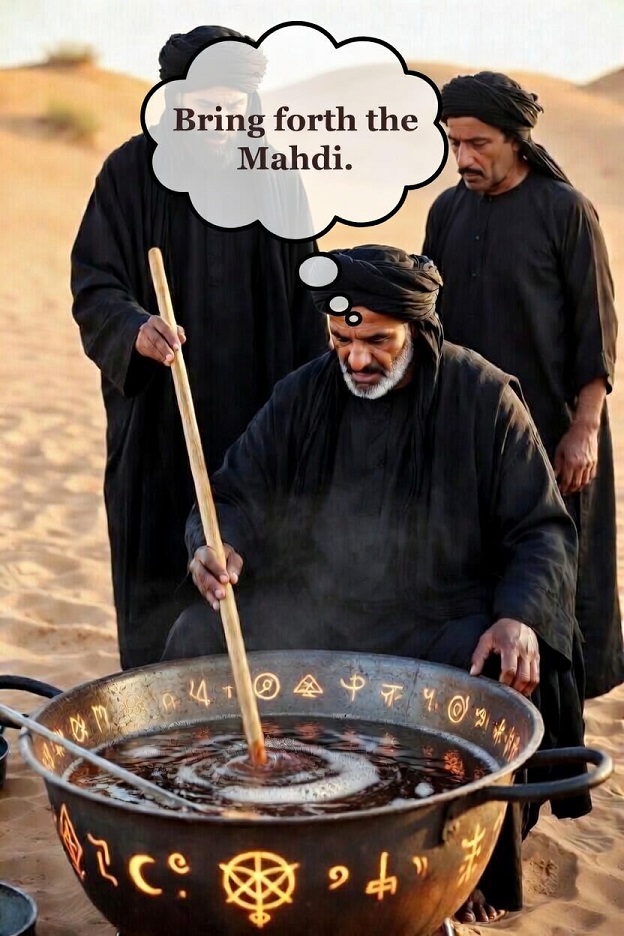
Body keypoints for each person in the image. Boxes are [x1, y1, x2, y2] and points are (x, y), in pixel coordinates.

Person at [163, 245, 589, 924]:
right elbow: (233, 494)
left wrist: (520, 617)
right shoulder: (302, 394)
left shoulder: (483, 398)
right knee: (196, 632)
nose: (356, 359)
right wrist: (214, 543)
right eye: (341, 340)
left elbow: (541, 529)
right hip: (324, 611)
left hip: (438, 619)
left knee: (491, 673)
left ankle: (466, 869)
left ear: (417, 328)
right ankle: (205, 819)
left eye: (376, 342)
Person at [70, 26, 327, 669]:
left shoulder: (276, 178)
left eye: (232, 107)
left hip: (257, 420)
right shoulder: (130, 174)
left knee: (254, 584)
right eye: (205, 106)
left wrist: (308, 414)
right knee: (157, 593)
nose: (219, 121)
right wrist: (133, 327)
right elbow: (95, 283)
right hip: (158, 425)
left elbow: (307, 304)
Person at [422, 70, 623, 698]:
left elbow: (596, 332)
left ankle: (558, 721)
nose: (464, 158)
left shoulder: (566, 211)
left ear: (516, 140)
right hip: (469, 436)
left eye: (478, 144)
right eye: (455, 143)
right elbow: (428, 324)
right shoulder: (447, 211)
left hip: (554, 438)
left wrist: (583, 430)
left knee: (553, 581)